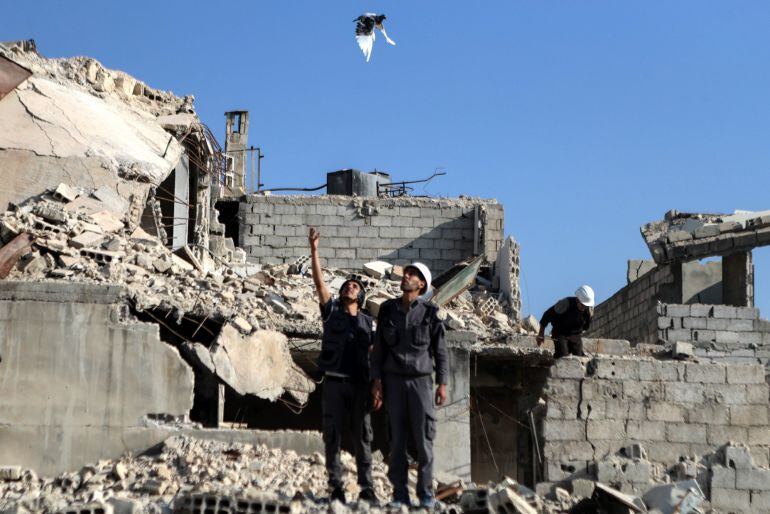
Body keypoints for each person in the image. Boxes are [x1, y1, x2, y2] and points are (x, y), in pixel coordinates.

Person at [370, 262, 448, 508]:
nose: (407, 276)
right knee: (397, 442)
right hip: (393, 383)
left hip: (421, 382)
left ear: (421, 284)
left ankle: (426, 496)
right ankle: (400, 495)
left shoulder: (430, 312)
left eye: (412, 275)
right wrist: (377, 382)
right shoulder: (387, 310)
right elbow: (379, 350)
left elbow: (441, 352)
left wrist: (442, 384)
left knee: (424, 440)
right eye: (407, 273)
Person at [308, 227, 376, 504]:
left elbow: (374, 356)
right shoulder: (331, 312)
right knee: (332, 438)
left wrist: (376, 387)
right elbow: (319, 284)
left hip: (359, 387)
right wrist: (314, 250)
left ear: (360, 298)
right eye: (348, 285)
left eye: (355, 286)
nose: (350, 287)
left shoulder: (367, 323)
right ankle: (336, 487)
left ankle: (367, 488)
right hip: (334, 384)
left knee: (363, 438)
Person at [536, 285, 596, 358]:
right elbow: (547, 315)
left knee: (578, 356)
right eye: (582, 305)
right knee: (563, 355)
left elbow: (586, 326)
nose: (584, 307)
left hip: (575, 334)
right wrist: (541, 334)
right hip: (560, 332)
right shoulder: (566, 303)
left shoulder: (589, 310)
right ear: (577, 299)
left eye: (586, 306)